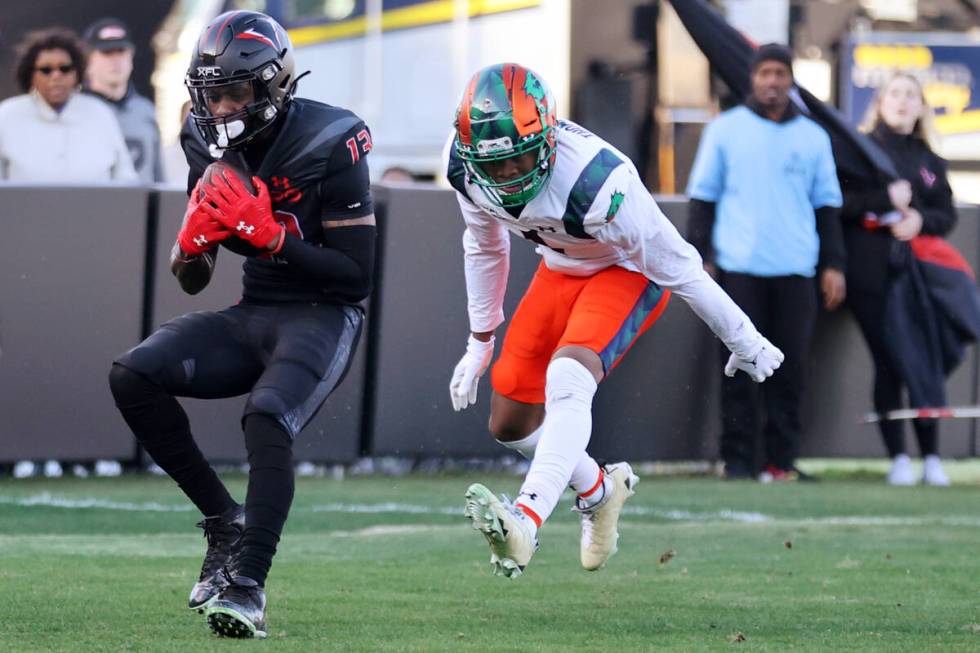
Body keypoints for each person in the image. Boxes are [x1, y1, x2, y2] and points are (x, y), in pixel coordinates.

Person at [448, 63, 783, 578]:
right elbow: (484, 247)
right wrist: (479, 338)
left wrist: (743, 337)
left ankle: (526, 519)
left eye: (518, 162)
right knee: (510, 421)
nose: (507, 178)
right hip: (559, 270)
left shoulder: (599, 183)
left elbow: (680, 267)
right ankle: (599, 490)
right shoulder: (468, 170)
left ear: (547, 135)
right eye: (494, 167)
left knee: (567, 378)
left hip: (625, 271)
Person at [108, 11, 375, 638]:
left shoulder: (332, 138)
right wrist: (190, 246)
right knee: (132, 374)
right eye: (211, 94)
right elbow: (192, 276)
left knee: (266, 414)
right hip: (256, 310)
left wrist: (275, 238)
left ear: (275, 84)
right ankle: (223, 522)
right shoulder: (201, 140)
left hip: (322, 313)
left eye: (236, 92)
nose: (222, 107)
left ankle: (249, 586)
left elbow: (355, 278)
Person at [686, 43, 845, 482]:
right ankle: (737, 460)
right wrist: (701, 259)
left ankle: (781, 461)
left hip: (796, 269)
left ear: (791, 81)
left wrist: (834, 264)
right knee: (738, 368)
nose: (772, 81)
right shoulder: (725, 130)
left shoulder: (813, 137)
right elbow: (703, 199)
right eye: (764, 73)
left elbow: (828, 207)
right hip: (738, 268)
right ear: (752, 79)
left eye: (780, 73)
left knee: (790, 369)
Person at [842, 73, 957, 486]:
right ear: (879, 102)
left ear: (922, 106)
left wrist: (920, 220)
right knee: (890, 362)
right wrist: (883, 202)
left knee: (922, 360)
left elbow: (947, 214)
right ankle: (899, 457)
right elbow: (841, 203)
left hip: (917, 278)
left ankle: (931, 457)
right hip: (871, 275)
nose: (903, 102)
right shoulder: (861, 149)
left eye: (912, 95)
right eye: (895, 93)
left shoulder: (929, 159)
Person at [0, 27, 135, 182]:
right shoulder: (7, 115)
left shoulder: (100, 113)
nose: (56, 76)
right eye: (46, 70)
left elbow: (125, 178)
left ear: (77, 73)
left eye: (65, 69)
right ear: (31, 75)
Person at [83, 17, 164, 183]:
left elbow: (158, 175)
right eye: (106, 53)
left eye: (121, 51)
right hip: (93, 205)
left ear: (131, 57)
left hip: (140, 206)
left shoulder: (145, 111)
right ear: (88, 61)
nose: (115, 60)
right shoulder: (77, 111)